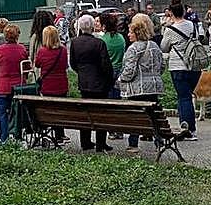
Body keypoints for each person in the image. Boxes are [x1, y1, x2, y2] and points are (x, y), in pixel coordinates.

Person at [116, 14, 166, 153]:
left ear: (137, 33)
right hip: (154, 87)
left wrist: (120, 80)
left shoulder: (133, 48)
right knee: (153, 115)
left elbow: (129, 71)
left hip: (137, 89)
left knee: (136, 116)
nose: (128, 34)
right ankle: (159, 141)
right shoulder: (154, 46)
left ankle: (133, 144)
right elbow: (162, 67)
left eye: (130, 32)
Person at [69, 14, 114, 152]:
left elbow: (73, 63)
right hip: (99, 83)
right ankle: (101, 144)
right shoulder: (99, 43)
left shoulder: (75, 43)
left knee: (86, 111)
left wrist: (82, 72)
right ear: (93, 26)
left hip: (84, 82)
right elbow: (106, 65)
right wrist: (108, 78)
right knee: (101, 113)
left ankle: (86, 141)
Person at [161, 0, 205, 141]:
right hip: (194, 65)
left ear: (171, 13)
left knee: (184, 97)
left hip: (178, 66)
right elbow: (197, 39)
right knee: (186, 96)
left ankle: (189, 130)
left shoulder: (170, 30)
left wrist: (166, 29)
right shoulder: (192, 25)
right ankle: (184, 125)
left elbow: (164, 47)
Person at [0, 22, 29, 143]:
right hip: (18, 86)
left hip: (3, 86)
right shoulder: (21, 49)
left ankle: (4, 138)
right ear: (17, 36)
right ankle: (18, 136)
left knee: (3, 114)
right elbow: (26, 68)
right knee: (17, 114)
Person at [34, 24, 70, 144]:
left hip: (48, 85)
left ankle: (55, 133)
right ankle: (61, 133)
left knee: (51, 110)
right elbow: (65, 66)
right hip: (62, 84)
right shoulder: (63, 50)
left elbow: (37, 64)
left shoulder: (42, 51)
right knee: (60, 109)